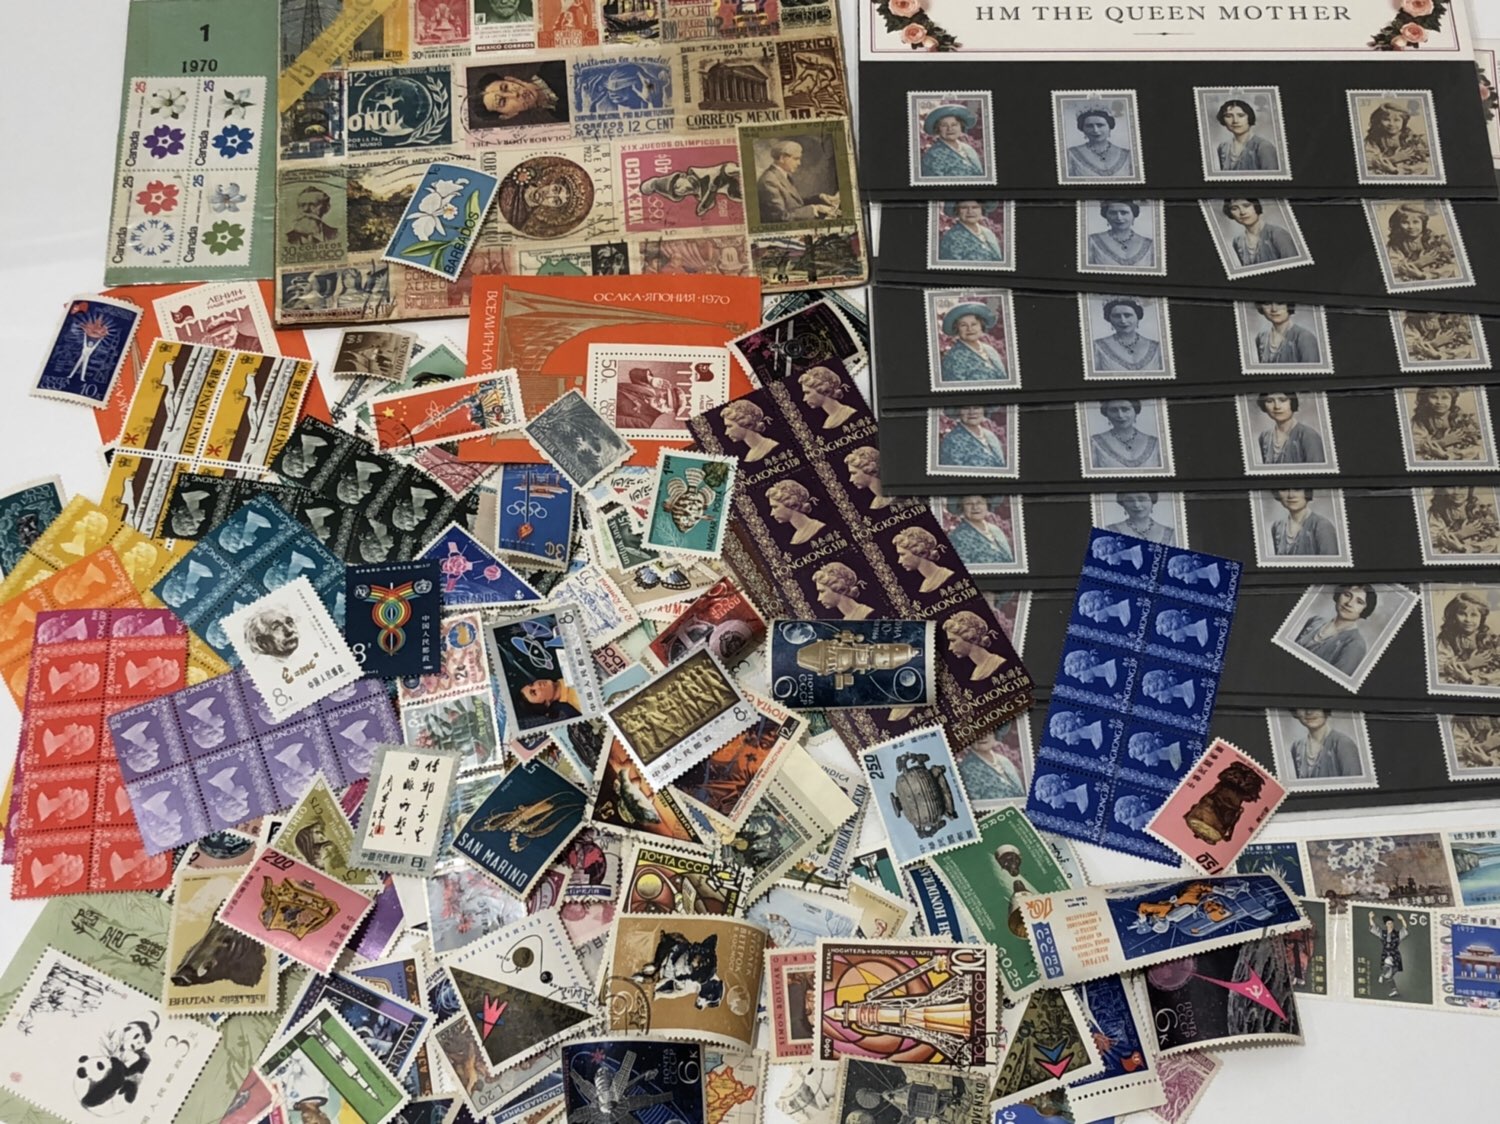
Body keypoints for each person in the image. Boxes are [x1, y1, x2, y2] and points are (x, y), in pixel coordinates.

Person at [1293, 584, 1376, 678]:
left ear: (1365, 610)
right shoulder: (1315, 621)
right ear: (1339, 595)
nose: (1349, 603)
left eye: (1359, 602)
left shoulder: (1355, 644)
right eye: (1347, 595)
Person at [756, 140, 839, 223]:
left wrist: (820, 197)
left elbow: (795, 204)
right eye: (796, 159)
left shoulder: (782, 175)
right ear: (782, 158)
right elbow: (781, 217)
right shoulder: (769, 181)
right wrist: (815, 208)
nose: (799, 163)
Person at [1435, 590, 1500, 687]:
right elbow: (1438, 666)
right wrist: (1469, 664)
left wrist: (1472, 678)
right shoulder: (1447, 638)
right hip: (1457, 681)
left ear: (1481, 618)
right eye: (1462, 614)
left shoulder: (1490, 638)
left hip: (1484, 681)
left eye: (1474, 615)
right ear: (1454, 616)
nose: (1468, 620)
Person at [1384, 203, 1458, 283]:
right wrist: (1419, 263)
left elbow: (1451, 263)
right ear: (1398, 224)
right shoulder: (1396, 243)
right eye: (1405, 222)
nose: (1411, 226)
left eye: (1415, 222)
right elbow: (1392, 267)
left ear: (1423, 223)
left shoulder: (1434, 240)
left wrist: (1423, 275)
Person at [1408, 386, 1484, 462]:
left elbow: (1476, 439)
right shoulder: (1421, 418)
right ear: (1426, 399)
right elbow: (1415, 444)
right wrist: (1443, 441)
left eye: (1444, 398)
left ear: (1452, 399)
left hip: (1458, 452)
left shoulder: (1460, 416)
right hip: (1433, 452)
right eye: (1434, 397)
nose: (1439, 402)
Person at [939, 302, 1007, 383]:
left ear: (981, 326)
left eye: (974, 324)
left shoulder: (991, 350)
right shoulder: (952, 358)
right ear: (957, 329)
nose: (969, 329)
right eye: (963, 325)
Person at [1091, 297, 1164, 374]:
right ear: (1109, 319)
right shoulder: (1096, 347)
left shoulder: (1157, 347)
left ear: (1137, 317)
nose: (1123, 321)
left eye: (1128, 315)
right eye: (1116, 316)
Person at [1286, 708, 1364, 779]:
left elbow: (1354, 784)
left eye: (1316, 706)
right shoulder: (1297, 747)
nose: (1309, 712)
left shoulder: (1343, 744)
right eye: (1302, 706)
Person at [1221, 199, 1300, 268]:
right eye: (1234, 208)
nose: (1242, 212)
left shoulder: (1278, 234)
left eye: (1246, 206)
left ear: (1256, 207)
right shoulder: (1237, 241)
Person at [1255, 391, 1326, 466]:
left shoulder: (1309, 436)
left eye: (1282, 400)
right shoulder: (1265, 436)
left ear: (1292, 402)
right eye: (1270, 401)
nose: (1277, 406)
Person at [1065, 104, 1135, 179]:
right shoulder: (1070, 154)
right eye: (1089, 126)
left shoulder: (1127, 155)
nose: (1095, 130)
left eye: (1100, 125)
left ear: (1109, 127)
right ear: (1083, 129)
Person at [1088, 399, 1161, 471]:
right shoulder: (1094, 443)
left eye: (1125, 409)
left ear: (1135, 411)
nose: (1120, 415)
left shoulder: (1155, 444)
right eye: (1114, 410)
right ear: (1106, 414)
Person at [1363, 100, 1430, 178]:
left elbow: (1421, 161)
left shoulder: (1410, 137)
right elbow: (1368, 159)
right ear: (1379, 121)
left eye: (1396, 120)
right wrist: (1394, 159)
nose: (1391, 124)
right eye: (1386, 119)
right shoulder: (1374, 138)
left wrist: (1395, 170)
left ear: (1403, 122)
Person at [1213, 97, 1280, 173]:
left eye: (1241, 115)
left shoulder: (1264, 147)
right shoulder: (1223, 147)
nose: (1235, 121)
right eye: (1228, 116)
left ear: (1249, 118)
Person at [1426, 486, 1500, 555]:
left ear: (1469, 488)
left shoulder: (1478, 506)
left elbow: (1493, 529)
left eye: (1462, 487)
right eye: (1451, 487)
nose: (1457, 492)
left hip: (1478, 546)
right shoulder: (1438, 510)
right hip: (1452, 548)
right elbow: (1432, 538)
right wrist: (1461, 534)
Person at [945, 495, 1014, 567]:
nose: (975, 507)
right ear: (962, 507)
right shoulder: (956, 537)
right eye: (969, 503)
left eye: (980, 502)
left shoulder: (996, 530)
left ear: (987, 505)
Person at [470, 72, 562, 126]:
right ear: (508, 115)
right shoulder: (557, 116)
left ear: (511, 79)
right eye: (503, 102)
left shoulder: (555, 70)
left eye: (505, 87)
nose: (515, 94)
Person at [1086, 200, 1156, 270]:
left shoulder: (1149, 244)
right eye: (1113, 213)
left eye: (1124, 213)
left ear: (1133, 215)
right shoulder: (1092, 241)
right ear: (1106, 215)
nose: (1119, 217)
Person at [920, 103, 985, 178]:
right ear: (937, 129)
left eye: (954, 124)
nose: (950, 129)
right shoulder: (932, 155)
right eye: (944, 125)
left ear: (961, 126)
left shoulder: (968, 149)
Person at [1267, 488, 1340, 556]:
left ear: (1307, 492)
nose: (1291, 495)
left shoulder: (1322, 526)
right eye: (1284, 489)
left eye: (1297, 489)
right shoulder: (1277, 527)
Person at [937, 405, 1007, 469]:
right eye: (966, 408)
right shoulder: (951, 441)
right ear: (958, 411)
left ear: (983, 410)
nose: (972, 412)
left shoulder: (990, 435)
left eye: (977, 408)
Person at [1251, 302, 1322, 366]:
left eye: (1280, 303)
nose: (1274, 309)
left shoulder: (1305, 337)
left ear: (1289, 305)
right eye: (1267, 303)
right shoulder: (1261, 337)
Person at [943, 610, 1007, 680]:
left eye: (953, 641)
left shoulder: (997, 663)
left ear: (969, 635)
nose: (950, 648)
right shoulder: (976, 672)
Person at [891, 526, 954, 593]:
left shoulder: (945, 575)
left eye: (902, 554)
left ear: (918, 551)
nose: (899, 561)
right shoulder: (925, 585)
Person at [937, 200, 1003, 262]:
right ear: (957, 211)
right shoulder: (951, 238)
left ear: (981, 209)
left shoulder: (988, 233)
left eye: (975, 207)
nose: (970, 211)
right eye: (964, 207)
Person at [765, 479, 825, 545]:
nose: (772, 513)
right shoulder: (796, 537)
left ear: (791, 504)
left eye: (775, 507)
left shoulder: (816, 527)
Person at [1104, 491, 1175, 545]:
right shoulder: (1109, 531)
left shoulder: (1170, 534)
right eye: (1130, 500)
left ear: (1152, 501)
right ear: (1123, 504)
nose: (1136, 505)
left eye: (1142, 499)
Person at [1369, 911, 1410, 998]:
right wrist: (1370, 918)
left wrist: (1402, 919)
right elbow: (1374, 928)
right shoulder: (1383, 934)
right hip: (1385, 955)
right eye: (1388, 923)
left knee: (1388, 962)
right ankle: (1394, 990)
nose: (1390, 925)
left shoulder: (1397, 934)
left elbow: (1405, 928)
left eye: (1391, 923)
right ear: (1386, 925)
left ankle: (1382, 974)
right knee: (1388, 976)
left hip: (1395, 957)